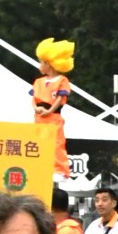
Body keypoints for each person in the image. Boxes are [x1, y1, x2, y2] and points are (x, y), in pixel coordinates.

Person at [31, 37, 74, 180]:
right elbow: (33, 98)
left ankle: (60, 170)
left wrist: (49, 111)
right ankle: (39, 166)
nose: (39, 65)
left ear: (49, 64)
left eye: (41, 62)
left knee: (57, 143)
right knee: (37, 142)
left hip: (53, 117)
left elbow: (60, 99)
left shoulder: (62, 80)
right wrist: (36, 108)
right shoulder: (38, 82)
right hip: (39, 118)